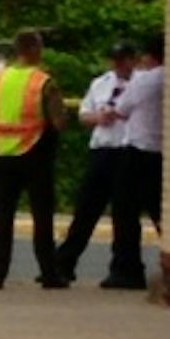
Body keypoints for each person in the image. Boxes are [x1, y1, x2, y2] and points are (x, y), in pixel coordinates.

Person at [0, 29, 70, 290]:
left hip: (2, 154)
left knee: (2, 218)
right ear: (35, 50)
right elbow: (59, 121)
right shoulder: (43, 82)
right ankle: (49, 273)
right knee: (42, 217)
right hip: (35, 153)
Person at [56, 40, 138, 284]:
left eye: (123, 59)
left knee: (124, 214)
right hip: (102, 149)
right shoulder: (101, 83)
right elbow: (83, 115)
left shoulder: (141, 85)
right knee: (86, 209)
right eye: (115, 59)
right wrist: (98, 117)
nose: (118, 64)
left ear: (133, 59)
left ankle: (125, 268)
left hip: (126, 150)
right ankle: (64, 263)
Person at [104, 36, 164, 290]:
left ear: (149, 56)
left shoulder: (147, 81)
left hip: (138, 151)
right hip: (163, 154)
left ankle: (127, 270)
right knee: (161, 211)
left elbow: (121, 109)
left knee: (126, 213)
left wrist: (106, 112)